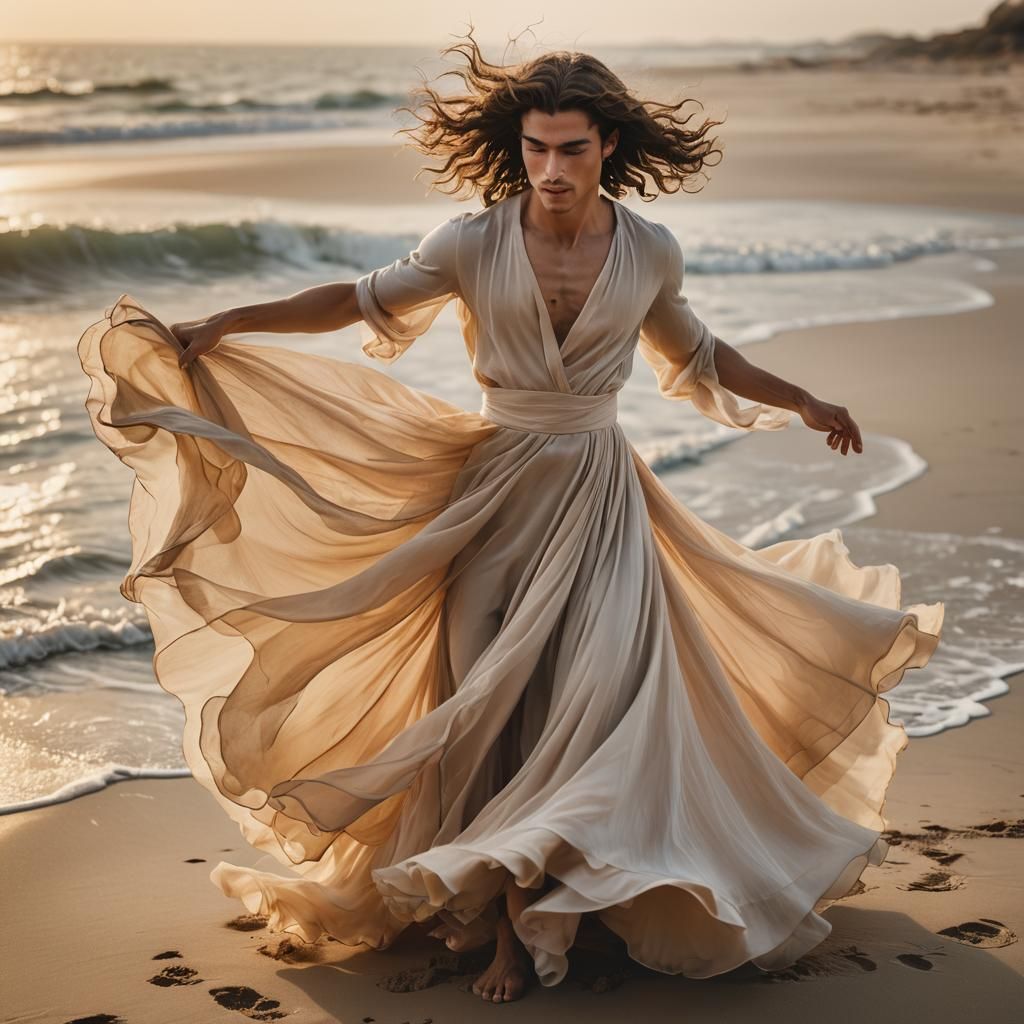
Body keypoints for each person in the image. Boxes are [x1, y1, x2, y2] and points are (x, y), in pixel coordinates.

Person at [77, 34, 943, 1006]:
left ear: (606, 144)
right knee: (484, 717)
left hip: (602, 499)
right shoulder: (471, 241)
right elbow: (349, 300)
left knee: (594, 705)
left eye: (570, 149)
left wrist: (805, 401)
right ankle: (499, 921)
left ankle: (553, 913)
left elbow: (702, 352)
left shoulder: (649, 248)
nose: (551, 169)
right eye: (536, 148)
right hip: (496, 498)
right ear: (517, 145)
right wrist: (226, 325)